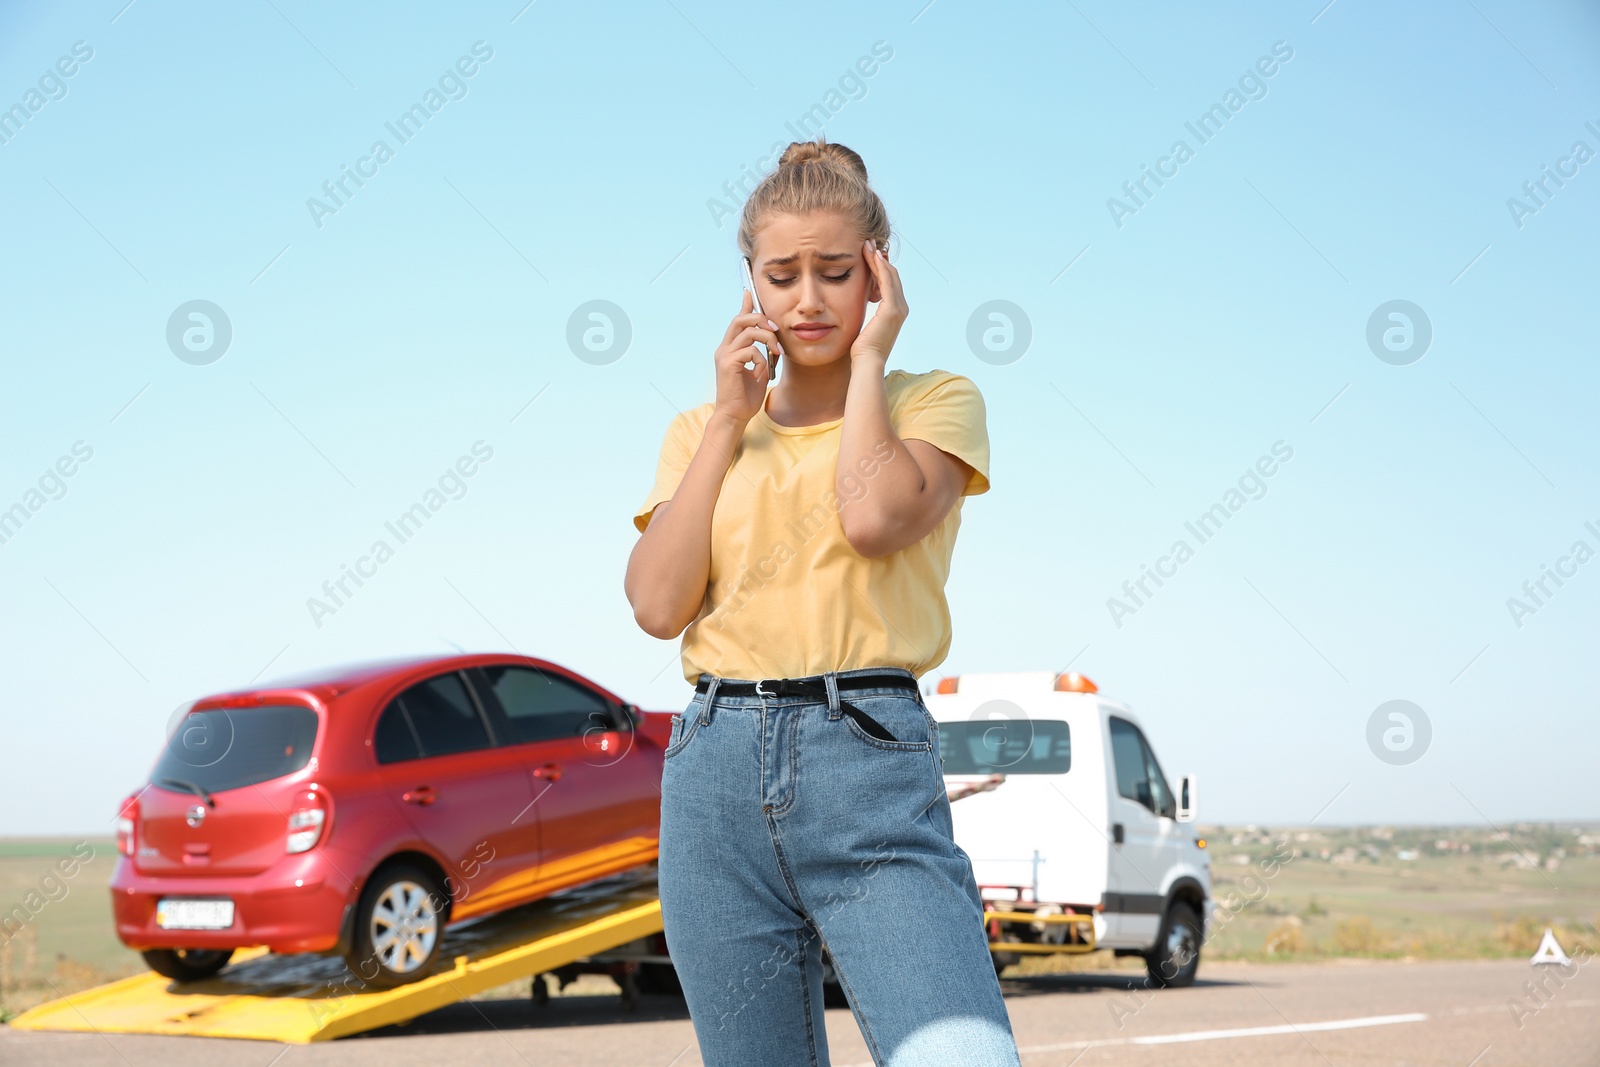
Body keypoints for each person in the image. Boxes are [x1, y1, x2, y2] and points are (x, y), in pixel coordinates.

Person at [624, 137, 1021, 1067]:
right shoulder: (701, 430)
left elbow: (875, 518)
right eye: (783, 274)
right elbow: (654, 602)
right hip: (713, 771)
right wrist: (729, 418)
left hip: (869, 764)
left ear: (878, 274)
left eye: (835, 273)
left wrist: (870, 363)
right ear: (750, 283)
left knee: (961, 1055)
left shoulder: (936, 400)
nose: (808, 299)